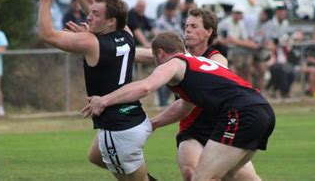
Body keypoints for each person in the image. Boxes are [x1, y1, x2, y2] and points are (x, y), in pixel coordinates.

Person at [83, 32, 275, 180]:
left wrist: (104, 100)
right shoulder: (197, 62)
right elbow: (184, 107)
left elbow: (145, 87)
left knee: (201, 178)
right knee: (228, 176)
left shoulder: (174, 63)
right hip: (264, 110)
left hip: (241, 113)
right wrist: (154, 123)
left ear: (160, 53)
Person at [36, 0, 154, 181]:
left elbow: (47, 35)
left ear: (110, 21)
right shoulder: (126, 34)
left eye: (95, 15)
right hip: (134, 119)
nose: (88, 17)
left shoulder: (91, 42)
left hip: (118, 128)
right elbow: (91, 2)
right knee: (95, 156)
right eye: (90, 13)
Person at [169, 8, 260, 180]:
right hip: (191, 131)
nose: (188, 30)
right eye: (186, 25)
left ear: (208, 32)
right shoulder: (177, 59)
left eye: (194, 26)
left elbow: (217, 72)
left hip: (221, 128)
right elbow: (149, 54)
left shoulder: (217, 59)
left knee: (248, 179)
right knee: (191, 173)